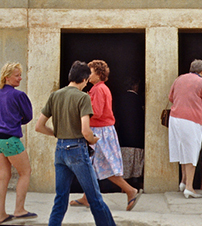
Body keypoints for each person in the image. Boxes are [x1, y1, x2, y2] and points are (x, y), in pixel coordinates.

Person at [35, 61, 116, 226]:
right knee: (95, 198)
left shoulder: (55, 95)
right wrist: (93, 139)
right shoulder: (83, 97)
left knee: (60, 198)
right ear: (85, 79)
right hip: (77, 150)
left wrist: (57, 134)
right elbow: (86, 131)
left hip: (60, 150)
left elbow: (39, 126)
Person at [69, 60, 143, 211]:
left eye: (91, 72)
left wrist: (80, 114)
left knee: (104, 167)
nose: (88, 75)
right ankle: (86, 197)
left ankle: (130, 190)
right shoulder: (100, 88)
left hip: (100, 131)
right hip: (102, 130)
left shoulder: (98, 90)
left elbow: (96, 112)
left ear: (99, 74)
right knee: (92, 165)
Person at [0, 62, 37, 224]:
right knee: (25, 172)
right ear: (7, 77)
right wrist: (17, 121)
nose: (20, 78)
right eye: (17, 75)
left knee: (3, 176)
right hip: (10, 139)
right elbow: (28, 116)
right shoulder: (19, 95)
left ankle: (1, 214)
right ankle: (19, 210)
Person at [168, 59, 202, 199]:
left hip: (175, 118)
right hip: (192, 120)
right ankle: (189, 188)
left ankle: (183, 181)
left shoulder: (179, 79)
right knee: (191, 152)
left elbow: (170, 98)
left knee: (182, 150)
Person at [113, 78, 145, 182]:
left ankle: (123, 186)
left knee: (124, 163)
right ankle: (136, 182)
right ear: (135, 86)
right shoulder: (139, 99)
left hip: (123, 134)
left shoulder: (119, 99)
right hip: (137, 136)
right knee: (136, 161)